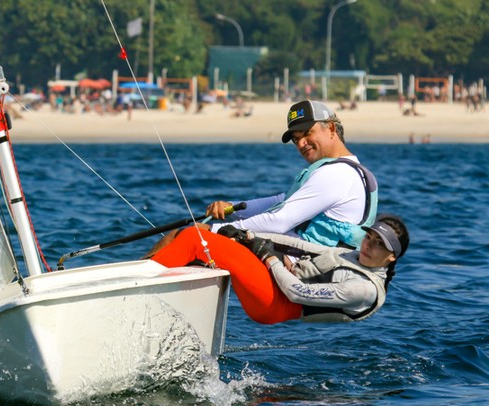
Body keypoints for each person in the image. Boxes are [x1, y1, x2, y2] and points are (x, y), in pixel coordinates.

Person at [145, 100, 378, 257]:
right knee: (196, 236)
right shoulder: (340, 169)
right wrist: (232, 209)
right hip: (299, 254)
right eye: (296, 139)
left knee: (187, 235)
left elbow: (279, 221)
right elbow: (282, 200)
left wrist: (222, 230)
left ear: (331, 129)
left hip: (305, 263)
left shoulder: (336, 174)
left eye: (307, 134)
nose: (301, 144)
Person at [151, 215, 409, 324]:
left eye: (378, 245)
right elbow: (300, 246)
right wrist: (248, 235)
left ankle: (143, 280)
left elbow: (297, 293)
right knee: (206, 248)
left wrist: (269, 257)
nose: (368, 246)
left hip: (274, 303)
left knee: (196, 240)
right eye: (369, 237)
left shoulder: (365, 290)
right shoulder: (353, 256)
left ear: (390, 258)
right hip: (275, 282)